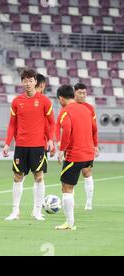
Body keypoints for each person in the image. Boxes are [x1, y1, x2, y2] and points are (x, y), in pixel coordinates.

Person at [3, 69, 55, 221]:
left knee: (39, 177)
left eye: (30, 80)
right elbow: (12, 125)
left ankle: (38, 211)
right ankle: (15, 211)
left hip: (38, 146)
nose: (28, 83)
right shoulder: (16, 101)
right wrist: (7, 144)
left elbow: (52, 123)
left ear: (35, 82)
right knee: (17, 177)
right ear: (22, 82)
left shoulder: (45, 101)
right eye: (25, 80)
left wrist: (51, 140)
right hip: (21, 146)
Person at [55, 85, 96, 230]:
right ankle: (72, 219)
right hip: (88, 154)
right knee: (71, 185)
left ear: (61, 99)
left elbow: (66, 131)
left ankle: (70, 223)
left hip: (75, 155)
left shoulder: (66, 111)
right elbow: (94, 129)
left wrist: (61, 150)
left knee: (66, 187)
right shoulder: (86, 109)